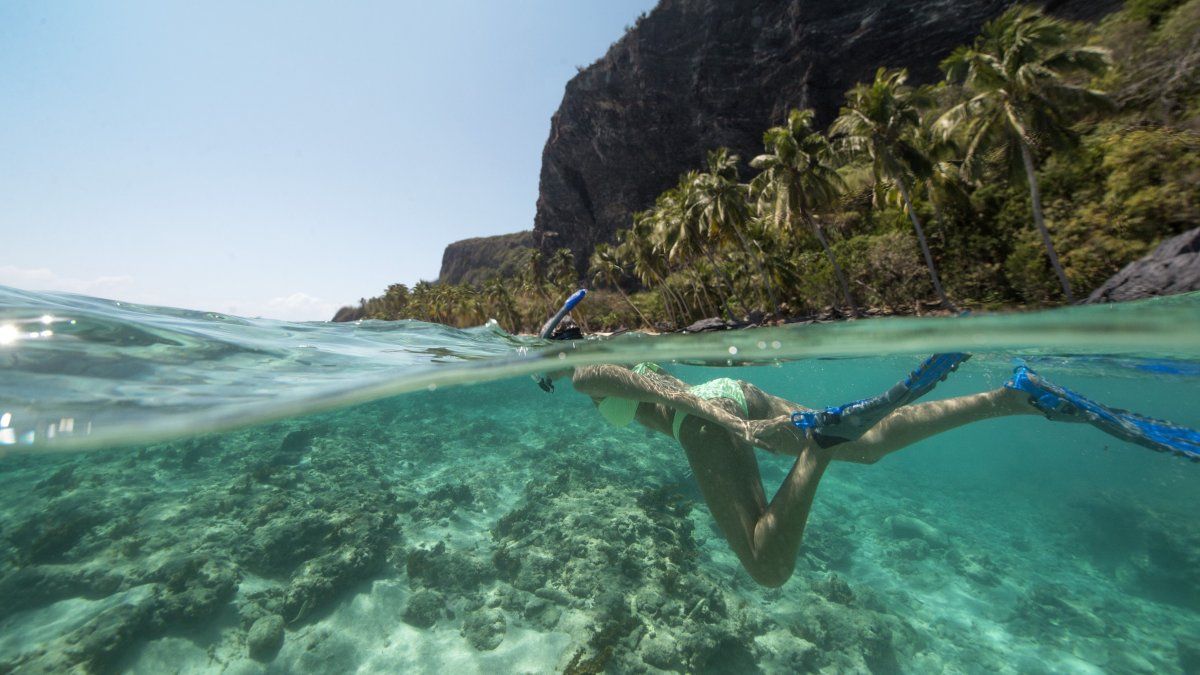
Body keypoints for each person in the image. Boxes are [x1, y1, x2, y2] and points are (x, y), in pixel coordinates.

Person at [536, 303, 1199, 587]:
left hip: (709, 418)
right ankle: (1012, 397)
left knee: (768, 566)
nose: (546, 379)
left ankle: (817, 449)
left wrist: (727, 422)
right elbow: (651, 374)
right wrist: (726, 407)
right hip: (727, 391)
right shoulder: (595, 354)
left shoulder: (581, 372)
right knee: (873, 442)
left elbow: (650, 380)